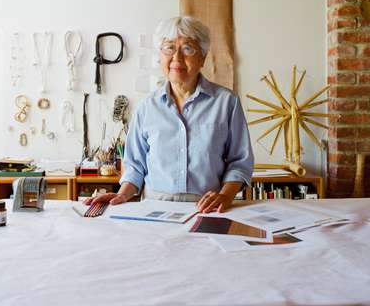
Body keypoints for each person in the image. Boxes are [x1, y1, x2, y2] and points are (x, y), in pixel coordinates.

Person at [85, 16, 254, 213]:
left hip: (207, 207)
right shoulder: (146, 107)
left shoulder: (226, 103)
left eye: (188, 48)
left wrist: (225, 195)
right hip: (154, 208)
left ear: (203, 57)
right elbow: (135, 166)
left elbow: (240, 162)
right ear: (160, 56)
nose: (177, 57)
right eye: (169, 48)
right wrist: (122, 194)